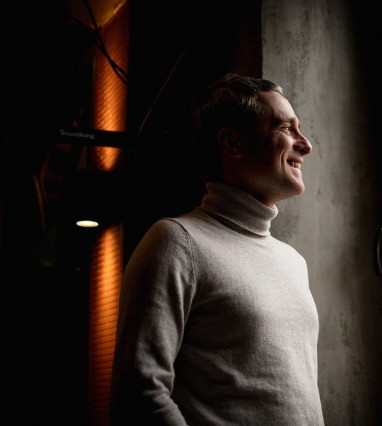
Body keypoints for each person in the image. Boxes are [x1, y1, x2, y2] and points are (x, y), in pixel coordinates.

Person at [110, 73, 323, 425]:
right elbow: (139, 393)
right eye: (286, 128)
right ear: (233, 143)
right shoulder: (177, 242)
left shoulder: (293, 261)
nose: (306, 145)